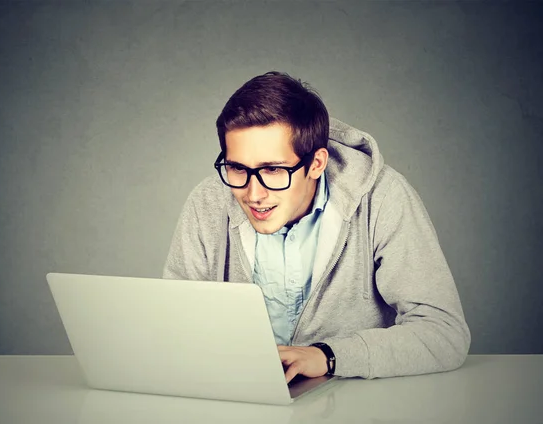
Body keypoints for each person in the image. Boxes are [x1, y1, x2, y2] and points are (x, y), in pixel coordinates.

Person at [163, 71, 471, 382]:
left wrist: (330, 356)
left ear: (316, 164)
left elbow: (444, 333)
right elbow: (175, 326)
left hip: (357, 406)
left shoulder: (382, 197)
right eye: (237, 168)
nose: (253, 194)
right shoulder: (208, 202)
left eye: (272, 170)